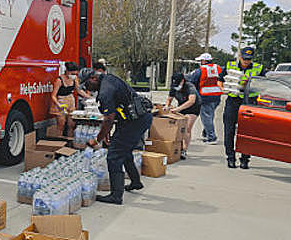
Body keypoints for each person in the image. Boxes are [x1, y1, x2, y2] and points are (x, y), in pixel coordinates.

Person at [78, 64, 153, 204]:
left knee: (114, 156)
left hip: (134, 122)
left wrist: (97, 139)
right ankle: (136, 182)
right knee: (124, 150)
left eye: (87, 84)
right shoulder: (109, 79)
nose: (87, 88)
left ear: (93, 78)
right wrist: (106, 132)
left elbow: (108, 119)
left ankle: (116, 195)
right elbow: (112, 115)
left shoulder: (105, 92)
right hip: (137, 118)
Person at [222, 45, 264, 169]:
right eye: (244, 58)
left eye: (249, 59)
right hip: (233, 101)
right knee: (229, 131)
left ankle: (245, 159)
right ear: (240, 56)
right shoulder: (231, 66)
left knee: (247, 132)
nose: (246, 61)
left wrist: (250, 83)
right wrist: (223, 88)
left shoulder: (259, 68)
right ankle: (230, 158)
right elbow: (220, 80)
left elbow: (264, 84)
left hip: (249, 102)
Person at [187, 52, 224, 143]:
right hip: (217, 96)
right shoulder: (219, 68)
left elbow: (192, 80)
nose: (200, 62)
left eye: (201, 60)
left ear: (204, 61)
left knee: (206, 117)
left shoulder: (200, 70)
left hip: (205, 96)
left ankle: (211, 137)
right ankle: (206, 133)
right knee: (210, 115)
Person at [165, 71, 200, 160]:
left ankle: (184, 149)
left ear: (183, 81)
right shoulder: (174, 86)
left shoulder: (190, 87)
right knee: (180, 127)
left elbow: (192, 101)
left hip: (193, 107)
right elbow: (169, 99)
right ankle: (177, 146)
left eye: (178, 83)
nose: (177, 86)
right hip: (182, 106)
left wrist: (177, 109)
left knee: (187, 127)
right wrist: (167, 106)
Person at [50, 61, 81, 136]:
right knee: (61, 124)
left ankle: (69, 140)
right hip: (61, 101)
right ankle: (59, 141)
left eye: (75, 74)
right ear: (67, 71)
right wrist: (58, 104)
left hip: (70, 101)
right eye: (72, 74)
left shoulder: (75, 79)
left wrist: (89, 97)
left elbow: (79, 90)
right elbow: (53, 95)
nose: (73, 75)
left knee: (71, 124)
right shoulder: (59, 80)